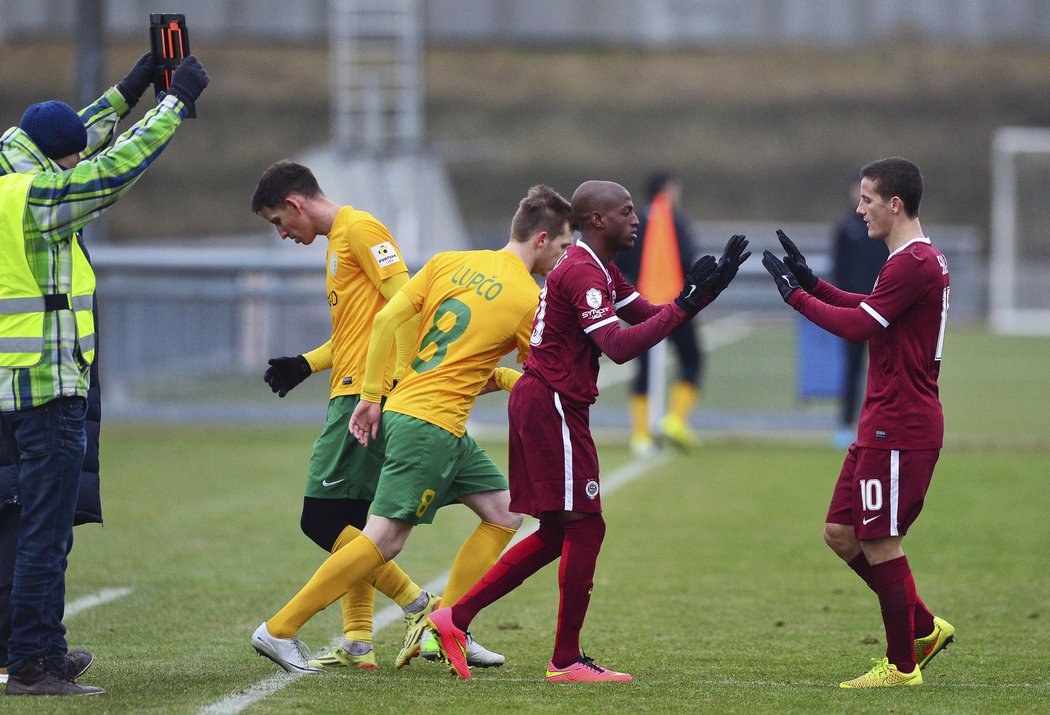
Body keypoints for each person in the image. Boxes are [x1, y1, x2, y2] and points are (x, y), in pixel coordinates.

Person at [426, 180, 750, 683]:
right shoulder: (582, 272)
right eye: (626, 212)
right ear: (598, 220)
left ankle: (454, 618)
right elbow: (620, 346)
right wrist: (686, 303)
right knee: (585, 526)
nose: (636, 220)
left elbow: (649, 316)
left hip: (551, 402)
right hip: (552, 403)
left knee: (559, 531)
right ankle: (565, 660)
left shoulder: (598, 267)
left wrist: (700, 294)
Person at [249, 184, 575, 675]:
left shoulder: (449, 262)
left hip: (412, 410)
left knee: (504, 513)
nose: (566, 256)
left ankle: (445, 627)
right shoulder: (530, 298)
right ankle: (280, 628)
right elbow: (538, 378)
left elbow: (386, 323)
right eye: (565, 246)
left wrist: (372, 396)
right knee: (381, 539)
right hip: (432, 426)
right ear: (543, 239)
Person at [0, 53, 209, 696]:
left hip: (17, 384)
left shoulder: (13, 170)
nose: (76, 163)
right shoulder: (41, 198)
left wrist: (131, 89)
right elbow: (109, 172)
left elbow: (75, 141)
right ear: (52, 159)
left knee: (28, 524)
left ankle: (39, 651)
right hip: (48, 386)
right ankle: (33, 663)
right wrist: (172, 106)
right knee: (44, 529)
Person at [251, 160, 465, 671]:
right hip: (356, 391)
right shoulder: (336, 243)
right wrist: (305, 363)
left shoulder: (362, 230)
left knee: (321, 518)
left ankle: (421, 607)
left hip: (366, 398)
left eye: (279, 222)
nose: (282, 234)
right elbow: (356, 335)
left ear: (296, 203)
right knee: (352, 519)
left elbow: (406, 304)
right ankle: (358, 642)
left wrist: (397, 383)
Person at [761, 157, 955, 688]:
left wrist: (797, 298)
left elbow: (855, 327)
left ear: (895, 204)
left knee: (880, 542)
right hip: (882, 421)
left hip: (901, 424)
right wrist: (812, 283)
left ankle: (901, 665)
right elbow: (869, 308)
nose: (859, 207)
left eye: (868, 198)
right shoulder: (911, 260)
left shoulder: (913, 262)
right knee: (841, 533)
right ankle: (921, 627)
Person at [613, 172, 705, 454]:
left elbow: (620, 260)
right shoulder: (676, 221)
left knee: (644, 368)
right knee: (692, 359)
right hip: (676, 305)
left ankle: (641, 435)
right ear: (667, 190)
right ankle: (675, 419)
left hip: (641, 305)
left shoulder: (634, 220)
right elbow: (690, 261)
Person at [829, 175, 888, 450]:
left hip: (885, 310)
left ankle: (880, 426)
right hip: (854, 310)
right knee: (851, 370)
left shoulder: (883, 227)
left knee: (883, 370)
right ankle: (844, 426)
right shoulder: (845, 228)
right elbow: (838, 269)